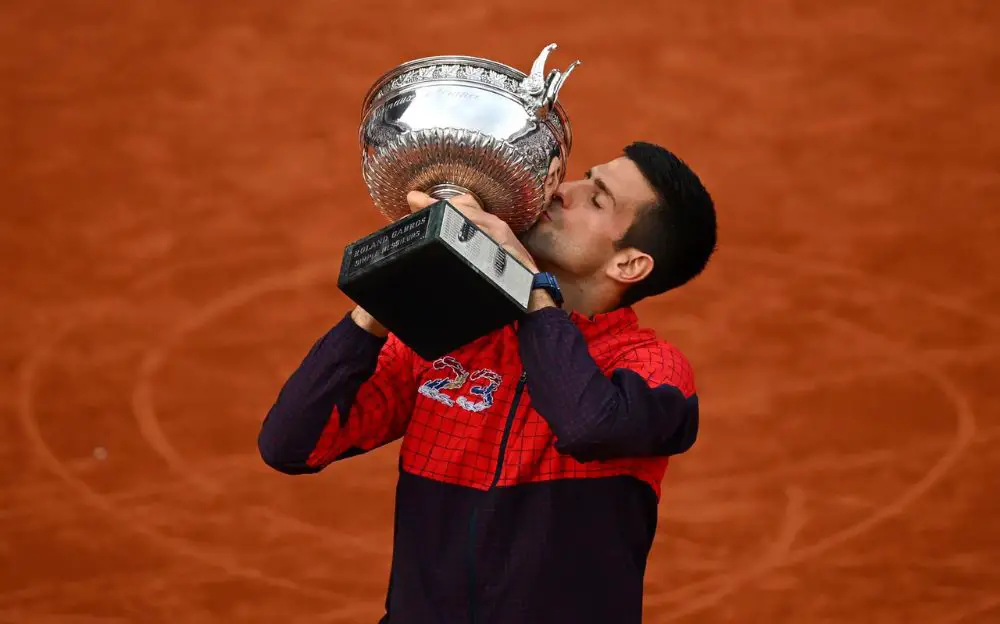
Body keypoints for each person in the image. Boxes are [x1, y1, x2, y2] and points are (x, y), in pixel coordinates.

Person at [257, 141, 717, 623]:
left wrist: (529, 288)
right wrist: (386, 294)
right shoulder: (456, 335)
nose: (562, 191)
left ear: (628, 264)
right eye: (582, 177)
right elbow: (291, 443)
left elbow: (586, 424)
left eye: (597, 199)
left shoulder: (653, 368)